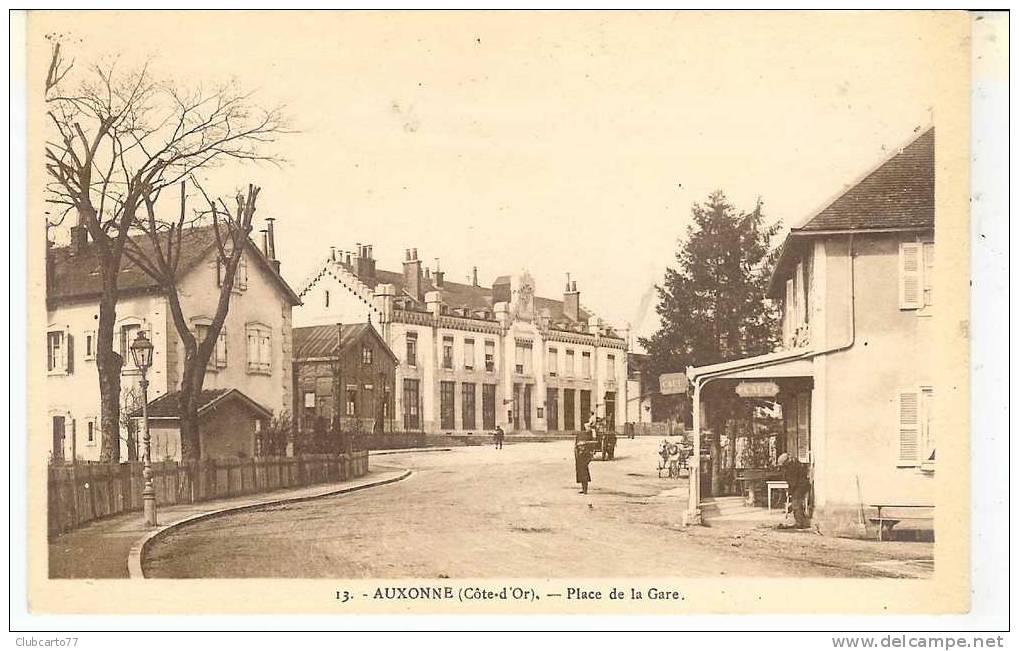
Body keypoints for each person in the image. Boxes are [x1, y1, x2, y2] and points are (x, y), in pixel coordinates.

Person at [777, 453, 810, 529]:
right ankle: (801, 521)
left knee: (796, 503)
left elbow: (793, 481)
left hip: (800, 486)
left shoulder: (792, 467)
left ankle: (800, 523)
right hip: (801, 485)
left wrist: (790, 491)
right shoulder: (795, 463)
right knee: (796, 503)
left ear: (786, 462)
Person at [574, 429, 594, 494]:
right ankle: (583, 489)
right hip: (580, 460)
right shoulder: (579, 447)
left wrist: (587, 460)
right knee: (580, 474)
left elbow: (590, 455)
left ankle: (585, 490)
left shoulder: (586, 451)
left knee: (584, 474)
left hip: (583, 461)